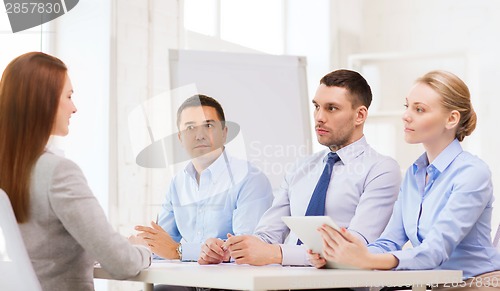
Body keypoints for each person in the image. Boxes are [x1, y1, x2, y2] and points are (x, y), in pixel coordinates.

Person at [311, 70, 500, 290]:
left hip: (477, 284)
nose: (406, 116)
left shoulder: (472, 173)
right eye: (407, 106)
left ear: (451, 119)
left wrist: (367, 260)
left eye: (419, 109)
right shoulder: (414, 173)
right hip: (432, 283)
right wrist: (342, 257)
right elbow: (390, 241)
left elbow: (435, 250)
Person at [199, 69, 401, 266]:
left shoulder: (381, 170)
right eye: (316, 107)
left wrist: (276, 254)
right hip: (288, 283)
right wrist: (230, 250)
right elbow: (268, 235)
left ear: (359, 116)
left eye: (331, 108)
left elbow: (354, 248)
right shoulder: (301, 168)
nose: (319, 117)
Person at [0, 52, 151, 291]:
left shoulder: (10, 170)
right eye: (68, 96)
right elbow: (122, 264)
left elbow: (54, 244)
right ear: (44, 101)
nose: (74, 108)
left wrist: (119, 245)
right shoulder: (57, 172)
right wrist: (143, 249)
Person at [135, 94, 273, 264]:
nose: (199, 136)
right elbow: (163, 245)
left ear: (224, 133)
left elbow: (246, 249)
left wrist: (179, 251)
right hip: (190, 279)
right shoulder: (177, 184)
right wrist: (139, 246)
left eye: (208, 125)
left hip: (233, 283)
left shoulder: (250, 179)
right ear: (180, 138)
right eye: (190, 128)